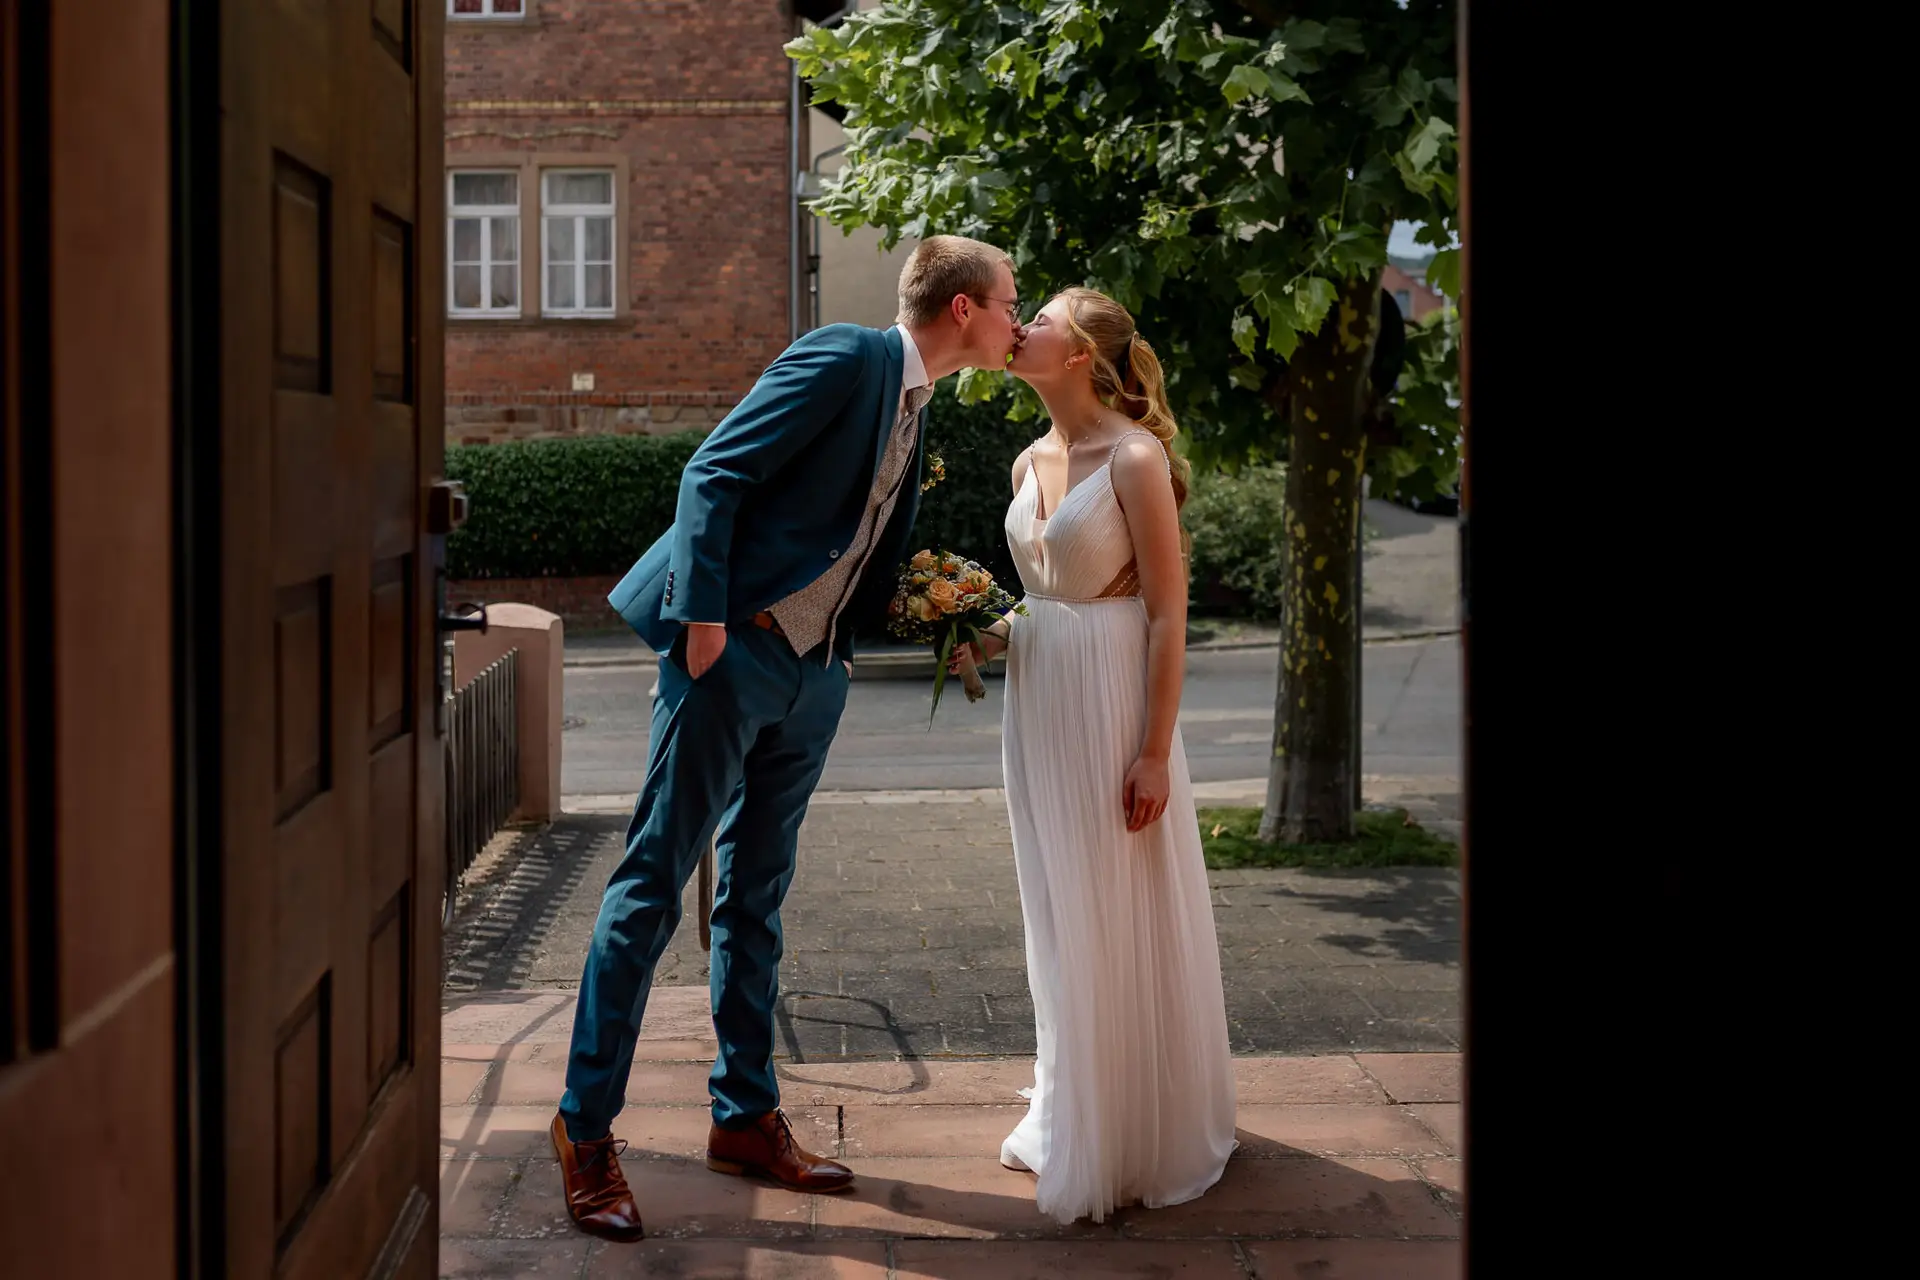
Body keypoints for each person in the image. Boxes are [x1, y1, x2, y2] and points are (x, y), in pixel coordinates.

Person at [549, 236, 1025, 1243]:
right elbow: (714, 469)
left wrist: (885, 634)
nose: (1016, 321)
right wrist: (703, 621)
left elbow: (845, 537)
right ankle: (584, 1132)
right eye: (1010, 303)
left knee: (755, 897)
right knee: (652, 887)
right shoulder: (847, 355)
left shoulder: (917, 403)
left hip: (813, 675)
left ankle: (743, 1116)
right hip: (733, 652)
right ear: (964, 308)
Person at [958, 286, 1237, 1224]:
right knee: (1055, 901)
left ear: (1081, 354)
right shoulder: (1025, 459)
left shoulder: (1134, 456)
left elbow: (1165, 613)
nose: (1020, 325)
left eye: (1040, 318)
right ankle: (1076, 1097)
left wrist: (1153, 752)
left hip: (1114, 704)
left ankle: (1134, 1126)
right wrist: (982, 633)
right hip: (1038, 705)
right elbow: (1046, 597)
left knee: (1113, 897)